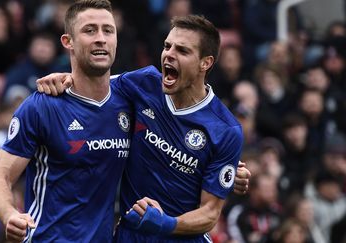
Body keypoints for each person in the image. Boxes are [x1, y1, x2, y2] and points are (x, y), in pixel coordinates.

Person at [37, 13, 248, 242]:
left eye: (182, 51)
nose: (169, 54)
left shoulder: (225, 130)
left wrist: (164, 223)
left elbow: (209, 215)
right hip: (130, 235)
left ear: (205, 63)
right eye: (168, 46)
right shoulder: (143, 83)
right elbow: (95, 86)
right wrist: (65, 78)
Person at [0, 1, 132, 242]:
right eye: (89, 30)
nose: (101, 38)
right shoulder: (41, 106)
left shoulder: (130, 99)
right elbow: (0, 177)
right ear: (68, 42)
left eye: (108, 30)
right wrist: (9, 214)